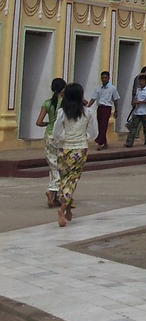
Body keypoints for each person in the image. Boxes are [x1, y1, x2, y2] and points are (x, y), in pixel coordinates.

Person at [51, 82, 96, 227]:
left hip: (64, 149)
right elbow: (94, 133)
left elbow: (56, 132)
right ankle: (63, 208)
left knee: (64, 180)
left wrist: (64, 138)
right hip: (80, 149)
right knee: (72, 180)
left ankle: (68, 210)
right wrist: (84, 137)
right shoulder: (88, 112)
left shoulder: (62, 112)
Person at [35, 77, 66, 208]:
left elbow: (38, 122)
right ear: (63, 88)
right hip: (62, 136)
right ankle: (53, 192)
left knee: (53, 165)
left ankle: (53, 193)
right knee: (62, 166)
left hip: (49, 135)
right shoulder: (66, 103)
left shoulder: (47, 103)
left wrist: (49, 123)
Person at [91, 70, 120, 149]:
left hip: (107, 108)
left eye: (105, 77)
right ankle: (105, 143)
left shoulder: (112, 88)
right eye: (102, 77)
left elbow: (116, 100)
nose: (104, 79)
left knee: (104, 125)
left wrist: (116, 110)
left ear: (108, 78)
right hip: (99, 108)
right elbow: (93, 98)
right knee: (100, 126)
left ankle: (100, 142)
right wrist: (87, 107)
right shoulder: (98, 88)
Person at [125, 73, 146, 147]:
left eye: (142, 81)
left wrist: (141, 102)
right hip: (137, 112)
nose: (141, 83)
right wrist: (134, 102)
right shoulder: (138, 90)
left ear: (145, 82)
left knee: (145, 128)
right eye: (140, 81)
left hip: (145, 112)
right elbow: (135, 98)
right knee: (133, 127)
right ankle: (129, 142)